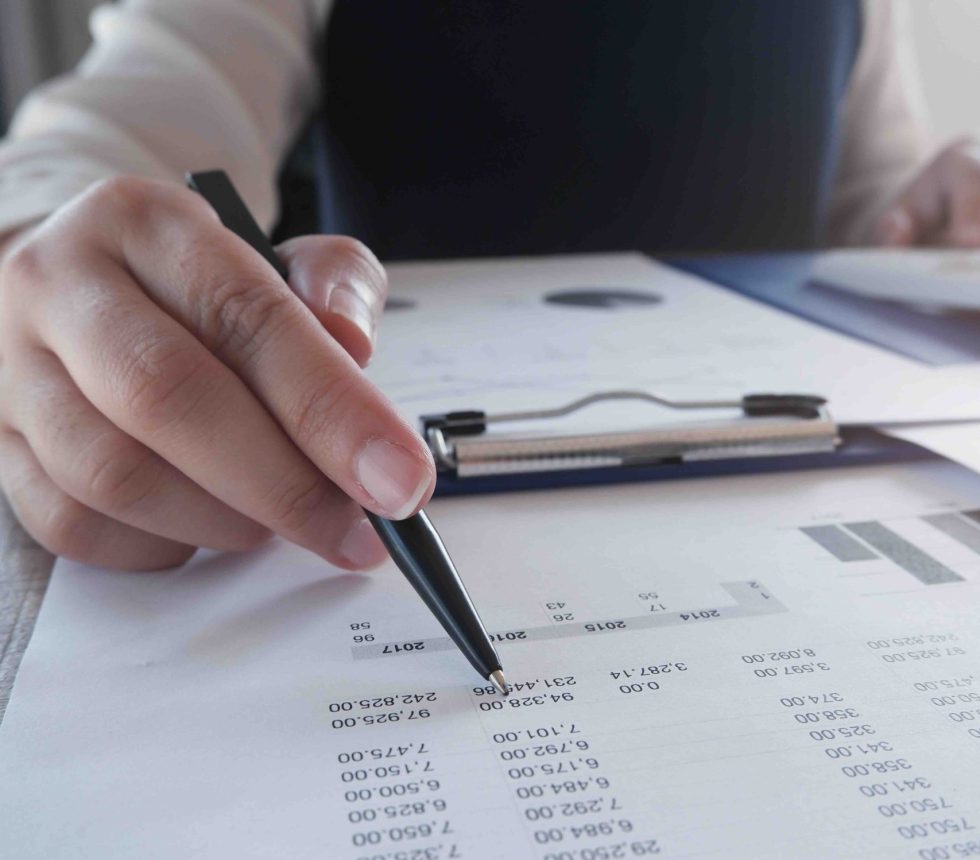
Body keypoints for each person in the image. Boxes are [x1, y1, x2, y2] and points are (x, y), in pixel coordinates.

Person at [0, 0, 977, 573]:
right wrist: (41, 254)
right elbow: (110, 134)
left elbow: (863, 205)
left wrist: (932, 208)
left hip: (789, 465)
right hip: (443, 467)